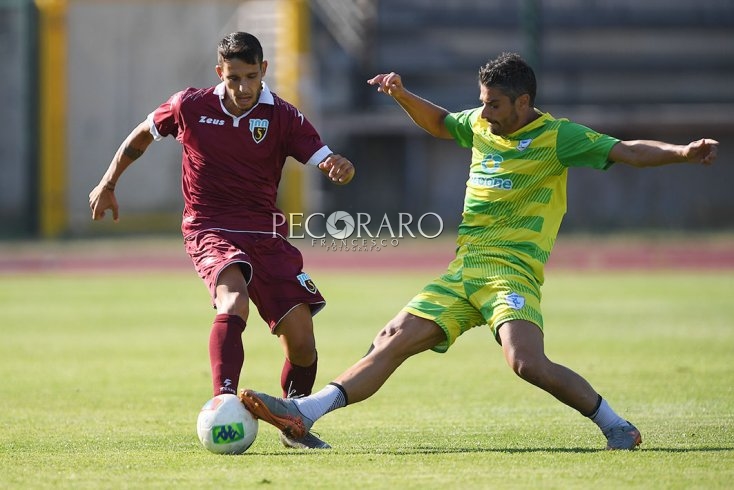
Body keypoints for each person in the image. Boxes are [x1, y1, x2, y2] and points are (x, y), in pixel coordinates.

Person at [236, 52, 720, 450]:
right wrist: (403, 95)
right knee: (391, 338)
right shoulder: (482, 126)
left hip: (511, 273)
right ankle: (305, 412)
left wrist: (682, 153)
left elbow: (629, 151)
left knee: (525, 363)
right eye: (482, 102)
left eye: (493, 105)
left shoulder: (559, 137)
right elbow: (444, 123)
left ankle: (616, 424)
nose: (483, 113)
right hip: (464, 270)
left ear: (522, 102)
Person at [88, 32, 355, 450]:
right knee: (234, 298)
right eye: (234, 78)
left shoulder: (284, 116)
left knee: (302, 342)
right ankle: (223, 399)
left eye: (251, 76)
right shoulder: (190, 106)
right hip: (208, 226)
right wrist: (108, 182)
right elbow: (142, 134)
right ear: (220, 73)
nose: (244, 87)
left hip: (265, 235)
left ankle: (294, 420)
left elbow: (323, 157)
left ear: (264, 70)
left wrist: (338, 167)